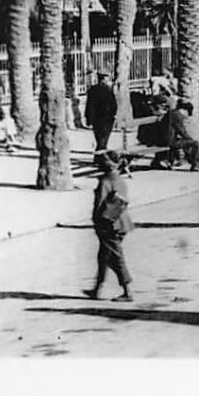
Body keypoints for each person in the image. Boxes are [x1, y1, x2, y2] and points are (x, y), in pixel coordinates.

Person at [83, 150, 134, 302]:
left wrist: (96, 222)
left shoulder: (105, 181)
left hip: (109, 225)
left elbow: (99, 205)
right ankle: (96, 289)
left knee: (115, 258)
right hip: (121, 223)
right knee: (103, 257)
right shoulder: (119, 180)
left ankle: (127, 291)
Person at [85, 72, 119, 152]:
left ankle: (100, 155)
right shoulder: (108, 89)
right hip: (107, 118)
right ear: (104, 80)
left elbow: (89, 105)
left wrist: (88, 118)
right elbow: (113, 104)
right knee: (104, 138)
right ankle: (101, 155)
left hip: (96, 118)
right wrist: (114, 114)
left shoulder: (92, 90)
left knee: (99, 138)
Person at [168, 100, 199, 171]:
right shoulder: (177, 115)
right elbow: (182, 132)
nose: (186, 116)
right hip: (170, 142)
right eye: (187, 113)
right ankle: (195, 164)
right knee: (195, 143)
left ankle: (193, 161)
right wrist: (190, 139)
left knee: (186, 142)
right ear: (184, 110)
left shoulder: (172, 113)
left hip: (165, 139)